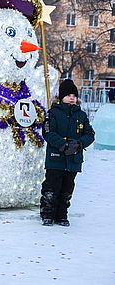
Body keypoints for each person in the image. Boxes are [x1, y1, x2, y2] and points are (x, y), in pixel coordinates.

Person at [40, 79, 95, 227]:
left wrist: (79, 143)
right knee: (52, 187)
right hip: (56, 158)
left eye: (74, 95)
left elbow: (89, 134)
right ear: (61, 96)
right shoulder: (53, 113)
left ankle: (61, 215)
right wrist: (62, 145)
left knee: (67, 189)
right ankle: (47, 214)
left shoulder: (81, 115)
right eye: (68, 95)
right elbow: (48, 132)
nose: (72, 97)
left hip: (73, 160)